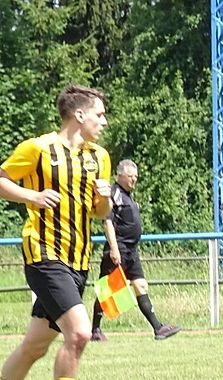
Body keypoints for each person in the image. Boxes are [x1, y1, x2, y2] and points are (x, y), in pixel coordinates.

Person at [0, 85, 112, 380]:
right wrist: (32, 196)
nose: (104, 122)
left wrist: (104, 199)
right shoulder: (38, 148)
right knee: (79, 333)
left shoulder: (99, 157)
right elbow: (2, 179)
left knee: (34, 347)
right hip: (44, 254)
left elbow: (100, 212)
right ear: (80, 115)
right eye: (99, 115)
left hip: (79, 262)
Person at [90, 159, 180, 342]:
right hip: (119, 249)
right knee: (108, 290)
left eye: (136, 177)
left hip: (131, 250)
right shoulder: (114, 193)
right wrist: (114, 249)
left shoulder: (128, 196)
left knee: (141, 286)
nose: (134, 180)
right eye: (130, 176)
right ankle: (95, 330)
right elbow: (107, 222)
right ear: (120, 175)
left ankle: (158, 328)